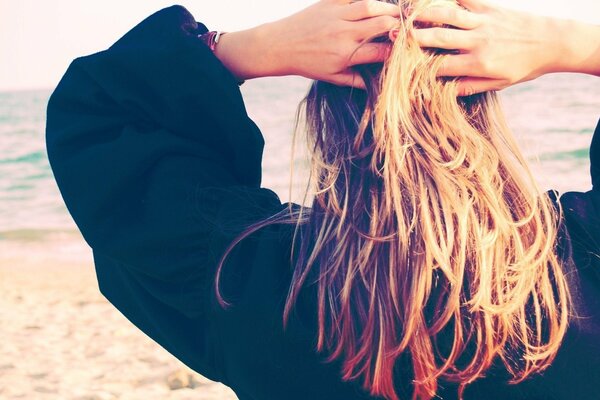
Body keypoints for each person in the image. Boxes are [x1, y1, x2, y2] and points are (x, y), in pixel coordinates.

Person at [45, 0, 600, 399]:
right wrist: (569, 43)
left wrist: (242, 50)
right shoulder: (585, 264)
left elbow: (99, 116)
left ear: (320, 118)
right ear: (487, 103)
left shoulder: (242, 277)